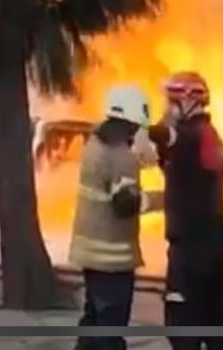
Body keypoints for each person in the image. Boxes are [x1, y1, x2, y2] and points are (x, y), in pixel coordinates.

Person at [149, 71, 223, 350]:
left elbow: (165, 135)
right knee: (214, 325)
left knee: (183, 327)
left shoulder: (190, 137)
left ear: (188, 102)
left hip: (191, 251)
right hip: (213, 246)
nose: (167, 109)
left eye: (171, 102)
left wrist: (135, 127)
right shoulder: (208, 136)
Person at [69, 85, 155, 350]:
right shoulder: (121, 156)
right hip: (113, 259)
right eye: (140, 126)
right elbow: (125, 204)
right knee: (111, 328)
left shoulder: (94, 146)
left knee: (93, 319)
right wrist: (164, 198)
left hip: (89, 253)